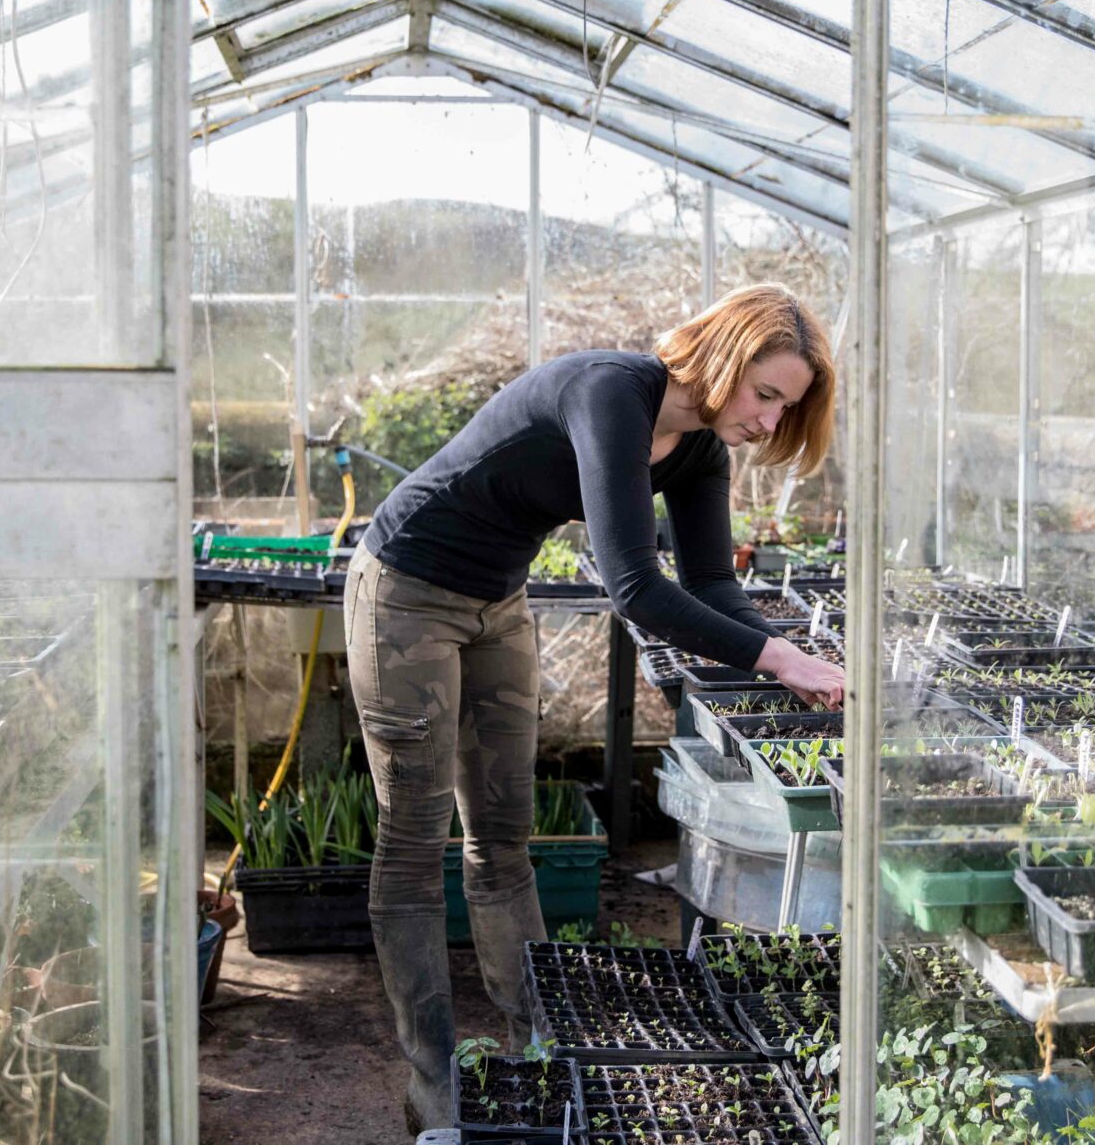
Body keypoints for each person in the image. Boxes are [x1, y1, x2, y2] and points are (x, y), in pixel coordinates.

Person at [342, 283, 844, 1132]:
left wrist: (796, 662)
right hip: (406, 589)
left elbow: (712, 582)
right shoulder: (612, 391)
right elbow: (636, 586)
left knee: (503, 835)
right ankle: (434, 1082)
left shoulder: (700, 450)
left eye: (784, 408)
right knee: (415, 841)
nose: (768, 422)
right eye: (765, 394)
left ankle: (534, 1051)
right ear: (725, 358)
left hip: (498, 599)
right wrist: (780, 657)